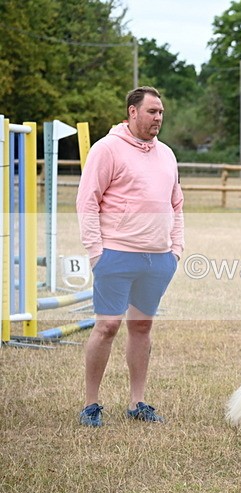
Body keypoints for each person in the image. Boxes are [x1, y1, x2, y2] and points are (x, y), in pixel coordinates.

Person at [76, 86, 184, 427]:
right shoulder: (106, 149)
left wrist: (175, 249)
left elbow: (176, 203)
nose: (158, 118)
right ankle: (91, 404)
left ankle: (137, 402)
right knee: (107, 326)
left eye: (161, 112)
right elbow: (87, 201)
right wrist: (96, 253)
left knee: (142, 326)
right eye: (152, 111)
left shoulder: (166, 153)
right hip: (116, 254)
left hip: (158, 258)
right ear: (132, 112)